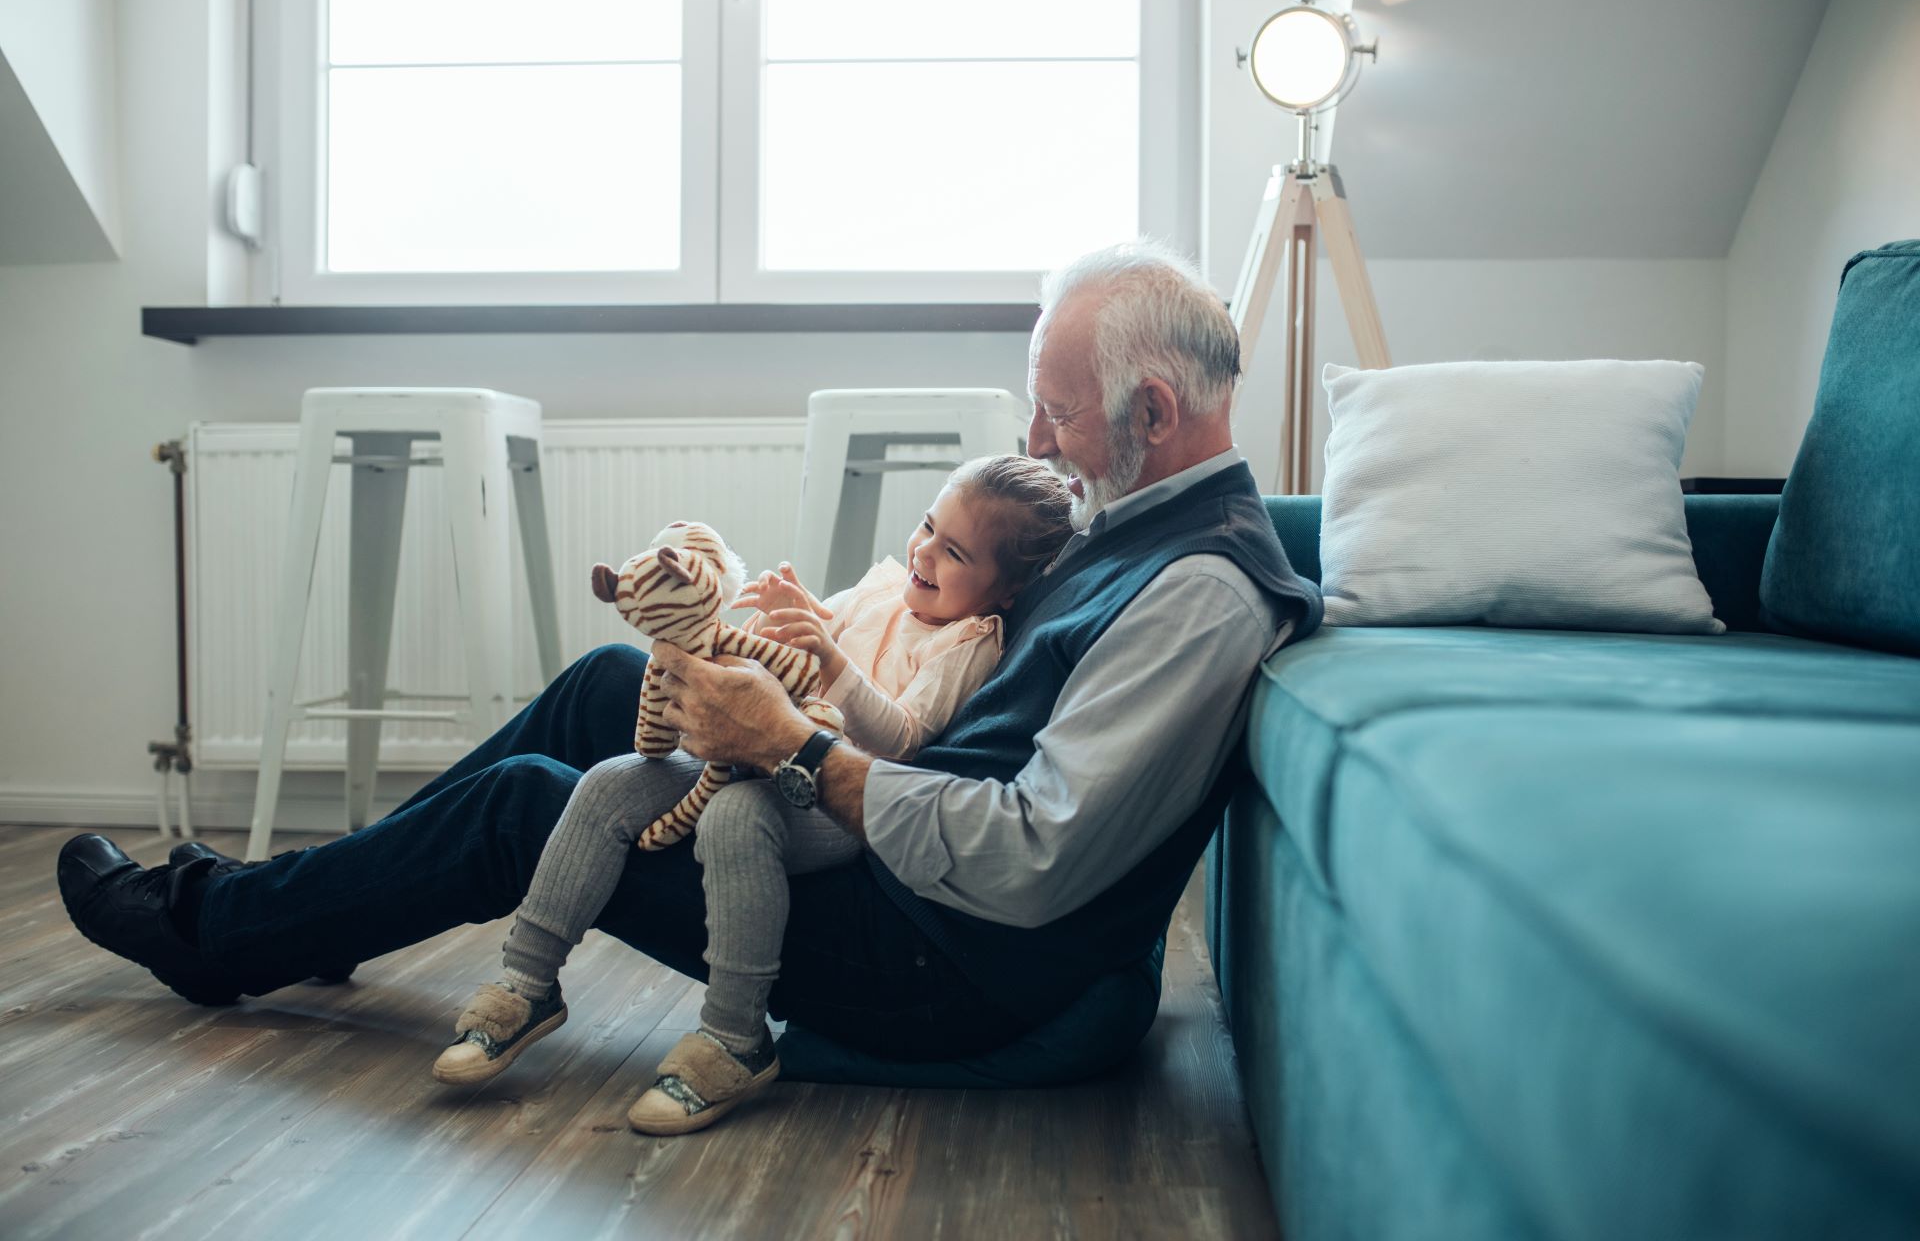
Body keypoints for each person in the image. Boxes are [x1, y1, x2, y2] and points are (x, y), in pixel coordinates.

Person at [56, 240, 1324, 1136]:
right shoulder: (1134, 516)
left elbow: (1035, 857)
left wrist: (798, 750)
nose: (1036, 441)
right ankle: (313, 915)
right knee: (615, 677)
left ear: (1153, 409)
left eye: (1055, 413)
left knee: (533, 803)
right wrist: (808, 663)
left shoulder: (1197, 593)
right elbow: (959, 688)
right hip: (896, 854)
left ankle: (210, 932)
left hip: (947, 958)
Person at [432, 456, 1076, 1138]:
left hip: (837, 796)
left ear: (1006, 591)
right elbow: (812, 644)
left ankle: (734, 1036)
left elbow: (904, 739)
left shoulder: (968, 641)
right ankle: (526, 984)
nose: (924, 553)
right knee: (609, 783)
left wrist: (829, 657)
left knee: (737, 819)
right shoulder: (889, 584)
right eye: (927, 527)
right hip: (757, 752)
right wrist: (795, 617)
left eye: (955, 553)